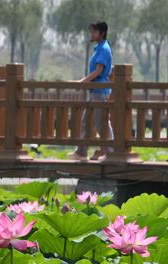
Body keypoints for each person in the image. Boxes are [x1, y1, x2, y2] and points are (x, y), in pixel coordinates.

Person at [68, 21, 113, 161]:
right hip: (95, 91)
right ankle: (81, 152)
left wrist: (83, 81)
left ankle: (111, 153)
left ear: (102, 33)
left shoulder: (104, 48)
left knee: (102, 123)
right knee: (86, 122)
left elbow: (99, 71)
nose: (92, 34)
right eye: (91, 32)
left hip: (100, 91)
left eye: (94, 32)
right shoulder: (98, 47)